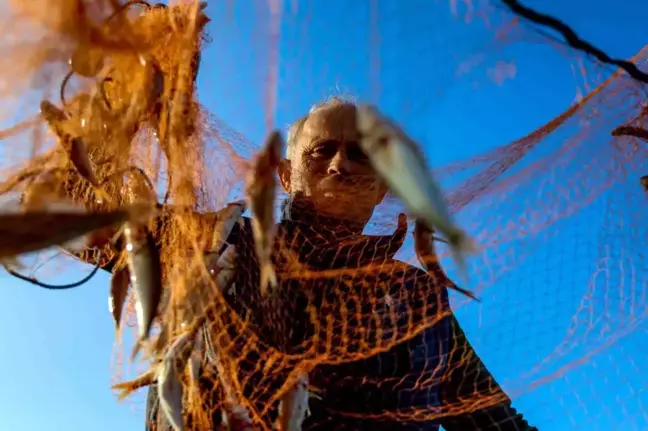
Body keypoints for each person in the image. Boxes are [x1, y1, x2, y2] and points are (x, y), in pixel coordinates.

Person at [145, 97, 537, 430]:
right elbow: (98, 224)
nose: (340, 166)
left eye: (359, 155)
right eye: (321, 150)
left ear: (380, 189)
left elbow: (494, 418)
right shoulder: (221, 238)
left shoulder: (418, 293)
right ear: (285, 175)